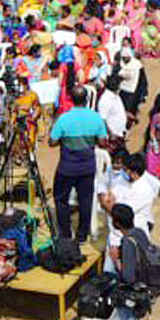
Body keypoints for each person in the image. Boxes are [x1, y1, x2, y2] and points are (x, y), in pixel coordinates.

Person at [48, 85, 107, 243]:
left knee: (61, 199)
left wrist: (65, 138)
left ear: (71, 99)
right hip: (87, 167)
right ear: (87, 99)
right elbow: (102, 142)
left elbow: (52, 142)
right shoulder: (96, 118)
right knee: (85, 200)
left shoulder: (64, 118)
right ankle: (82, 235)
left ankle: (66, 233)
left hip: (67, 167)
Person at [110, 203, 150, 320]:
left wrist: (116, 259)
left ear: (117, 223)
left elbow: (127, 276)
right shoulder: (140, 233)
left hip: (130, 296)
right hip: (143, 293)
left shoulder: (127, 242)